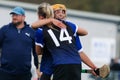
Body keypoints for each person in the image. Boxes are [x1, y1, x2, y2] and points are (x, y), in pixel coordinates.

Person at [34, 3, 97, 80]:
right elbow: (84, 34)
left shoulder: (42, 30)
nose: (61, 13)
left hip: (58, 66)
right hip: (74, 65)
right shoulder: (71, 28)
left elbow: (38, 51)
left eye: (63, 11)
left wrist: (93, 67)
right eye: (57, 11)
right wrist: (93, 67)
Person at [0, 7, 39, 80]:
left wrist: (36, 68)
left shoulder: (31, 32)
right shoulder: (4, 30)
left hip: (25, 74)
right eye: (13, 15)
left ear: (23, 17)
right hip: (5, 73)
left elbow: (35, 52)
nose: (14, 17)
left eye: (17, 15)